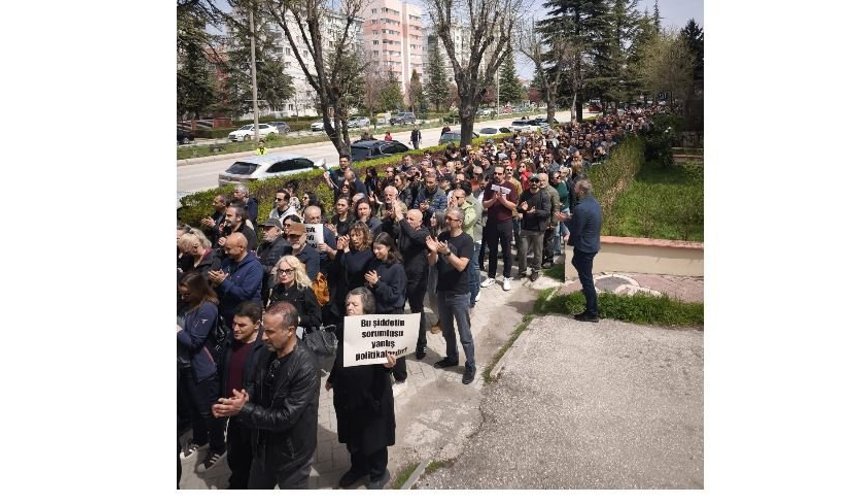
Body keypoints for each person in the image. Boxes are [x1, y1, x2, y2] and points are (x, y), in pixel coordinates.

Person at [212, 301, 321, 489]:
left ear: (290, 330)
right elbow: (257, 383)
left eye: (270, 332)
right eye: (264, 330)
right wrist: (246, 397)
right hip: (263, 448)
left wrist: (243, 409)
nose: (263, 337)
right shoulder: (268, 351)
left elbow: (285, 417)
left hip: (292, 455)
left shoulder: (306, 367)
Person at [325, 287, 397, 489]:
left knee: (374, 436)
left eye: (354, 304)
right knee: (352, 434)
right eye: (348, 303)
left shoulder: (377, 329)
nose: (349, 307)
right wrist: (332, 377)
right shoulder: (344, 327)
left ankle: (378, 473)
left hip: (372, 394)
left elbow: (390, 359)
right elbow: (340, 356)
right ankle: (358, 468)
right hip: (347, 394)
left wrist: (389, 365)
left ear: (366, 308)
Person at [177, 272, 226, 471]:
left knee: (209, 410)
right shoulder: (188, 305)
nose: (182, 298)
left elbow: (195, 341)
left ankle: (218, 447)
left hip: (203, 367)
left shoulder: (207, 308)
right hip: (185, 366)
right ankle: (200, 438)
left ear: (197, 291)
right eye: (181, 294)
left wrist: (176, 329)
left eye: (187, 294)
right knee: (194, 407)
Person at [426, 207, 477, 385]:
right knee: (447, 331)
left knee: (464, 333)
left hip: (459, 293)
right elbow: (432, 263)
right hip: (443, 291)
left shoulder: (466, 241)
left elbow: (462, 266)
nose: (446, 221)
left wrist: (447, 252)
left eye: (450, 218)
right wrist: (433, 251)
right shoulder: (442, 237)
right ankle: (451, 357)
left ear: (459, 222)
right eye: (446, 217)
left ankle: (470, 365)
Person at [218, 302, 267, 489]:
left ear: (256, 325)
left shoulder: (266, 347)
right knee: (235, 454)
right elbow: (222, 371)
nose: (235, 329)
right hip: (233, 411)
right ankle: (237, 481)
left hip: (254, 414)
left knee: (254, 456)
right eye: (234, 324)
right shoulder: (230, 340)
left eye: (241, 325)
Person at [365, 232, 408, 396]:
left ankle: (401, 379)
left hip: (392, 312)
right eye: (374, 248)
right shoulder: (375, 262)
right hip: (377, 310)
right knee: (381, 347)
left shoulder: (397, 267)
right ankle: (384, 373)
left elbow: (394, 296)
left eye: (379, 248)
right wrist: (370, 284)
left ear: (389, 247)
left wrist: (377, 284)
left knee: (395, 350)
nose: (376, 252)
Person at [556, 179, 602, 322]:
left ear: (581, 191)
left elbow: (576, 229)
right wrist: (569, 217)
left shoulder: (581, 208)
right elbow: (581, 220)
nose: (573, 190)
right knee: (576, 262)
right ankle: (589, 293)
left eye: (575, 188)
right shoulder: (593, 202)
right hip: (592, 244)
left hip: (585, 247)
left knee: (586, 279)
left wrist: (563, 219)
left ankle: (592, 312)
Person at [393, 207, 430, 359]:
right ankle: (398, 341)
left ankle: (421, 344)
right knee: (398, 308)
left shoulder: (424, 233)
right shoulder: (404, 229)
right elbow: (394, 233)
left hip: (417, 279)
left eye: (411, 219)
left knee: (417, 310)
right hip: (402, 276)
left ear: (420, 222)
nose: (407, 221)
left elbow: (414, 236)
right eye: (406, 218)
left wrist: (401, 219)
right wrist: (391, 219)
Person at [208, 233, 264, 326]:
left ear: (241, 247)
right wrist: (216, 283)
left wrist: (223, 282)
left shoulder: (254, 267)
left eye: (229, 249)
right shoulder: (227, 262)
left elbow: (245, 294)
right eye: (225, 248)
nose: (225, 252)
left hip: (245, 318)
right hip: (226, 315)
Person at [481, 165, 519, 291]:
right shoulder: (489, 186)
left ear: (504, 174)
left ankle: (506, 277)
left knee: (507, 251)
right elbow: (484, 204)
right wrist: (493, 199)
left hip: (506, 223)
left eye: (499, 173)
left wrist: (502, 200)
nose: (496, 176)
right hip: (492, 223)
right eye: (495, 173)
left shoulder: (510, 186)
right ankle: (491, 276)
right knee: (492, 251)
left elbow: (513, 206)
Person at [268, 255, 322, 333]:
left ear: (296, 271)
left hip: (300, 333)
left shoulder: (304, 290)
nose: (283, 274)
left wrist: (298, 319)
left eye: (288, 271)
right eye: (281, 271)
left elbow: (316, 319)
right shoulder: (276, 289)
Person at [517, 174, 551, 282]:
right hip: (525, 227)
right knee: (522, 251)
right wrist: (521, 208)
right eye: (532, 181)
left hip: (538, 229)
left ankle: (535, 270)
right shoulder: (525, 194)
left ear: (539, 183)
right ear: (529, 182)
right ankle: (522, 270)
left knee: (538, 252)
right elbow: (519, 208)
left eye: (536, 181)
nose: (534, 183)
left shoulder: (544, 195)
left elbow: (547, 212)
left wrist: (535, 212)